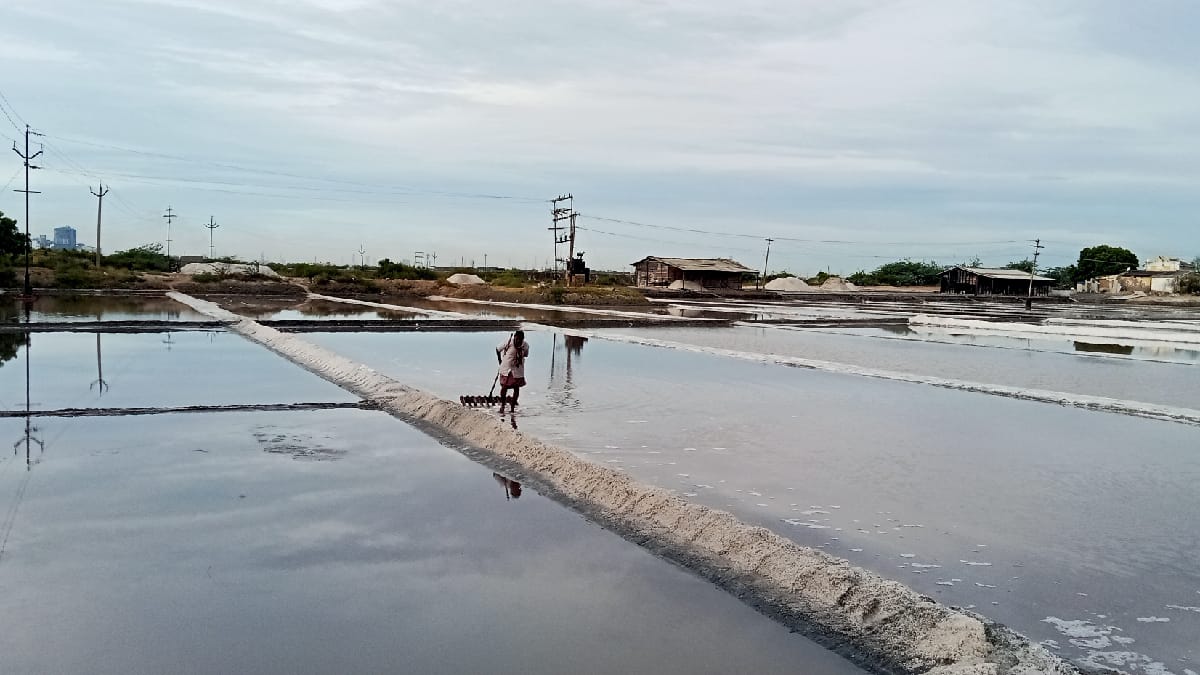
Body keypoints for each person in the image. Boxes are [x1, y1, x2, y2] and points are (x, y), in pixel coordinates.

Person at [495, 330, 528, 413]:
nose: (518, 341)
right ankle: (502, 405)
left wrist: (518, 358)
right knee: (504, 387)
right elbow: (497, 349)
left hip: (518, 370)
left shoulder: (525, 345)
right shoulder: (508, 342)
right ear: (514, 337)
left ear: (523, 339)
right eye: (517, 339)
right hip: (507, 369)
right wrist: (500, 361)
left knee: (516, 388)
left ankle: (512, 408)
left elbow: (526, 355)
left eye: (520, 340)